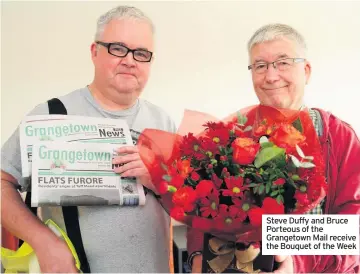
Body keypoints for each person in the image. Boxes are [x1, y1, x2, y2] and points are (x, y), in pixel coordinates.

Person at [1, 5, 176, 273]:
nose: (130, 60)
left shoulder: (163, 122)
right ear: (95, 52)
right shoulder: (50, 115)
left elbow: (182, 204)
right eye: (118, 48)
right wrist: (43, 242)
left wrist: (156, 178)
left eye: (141, 53)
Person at [187, 23, 360, 273]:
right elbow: (201, 205)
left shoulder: (337, 135)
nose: (271, 76)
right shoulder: (231, 133)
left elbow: (354, 223)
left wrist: (296, 263)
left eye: (283, 62)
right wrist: (197, 255)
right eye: (260, 66)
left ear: (306, 71)